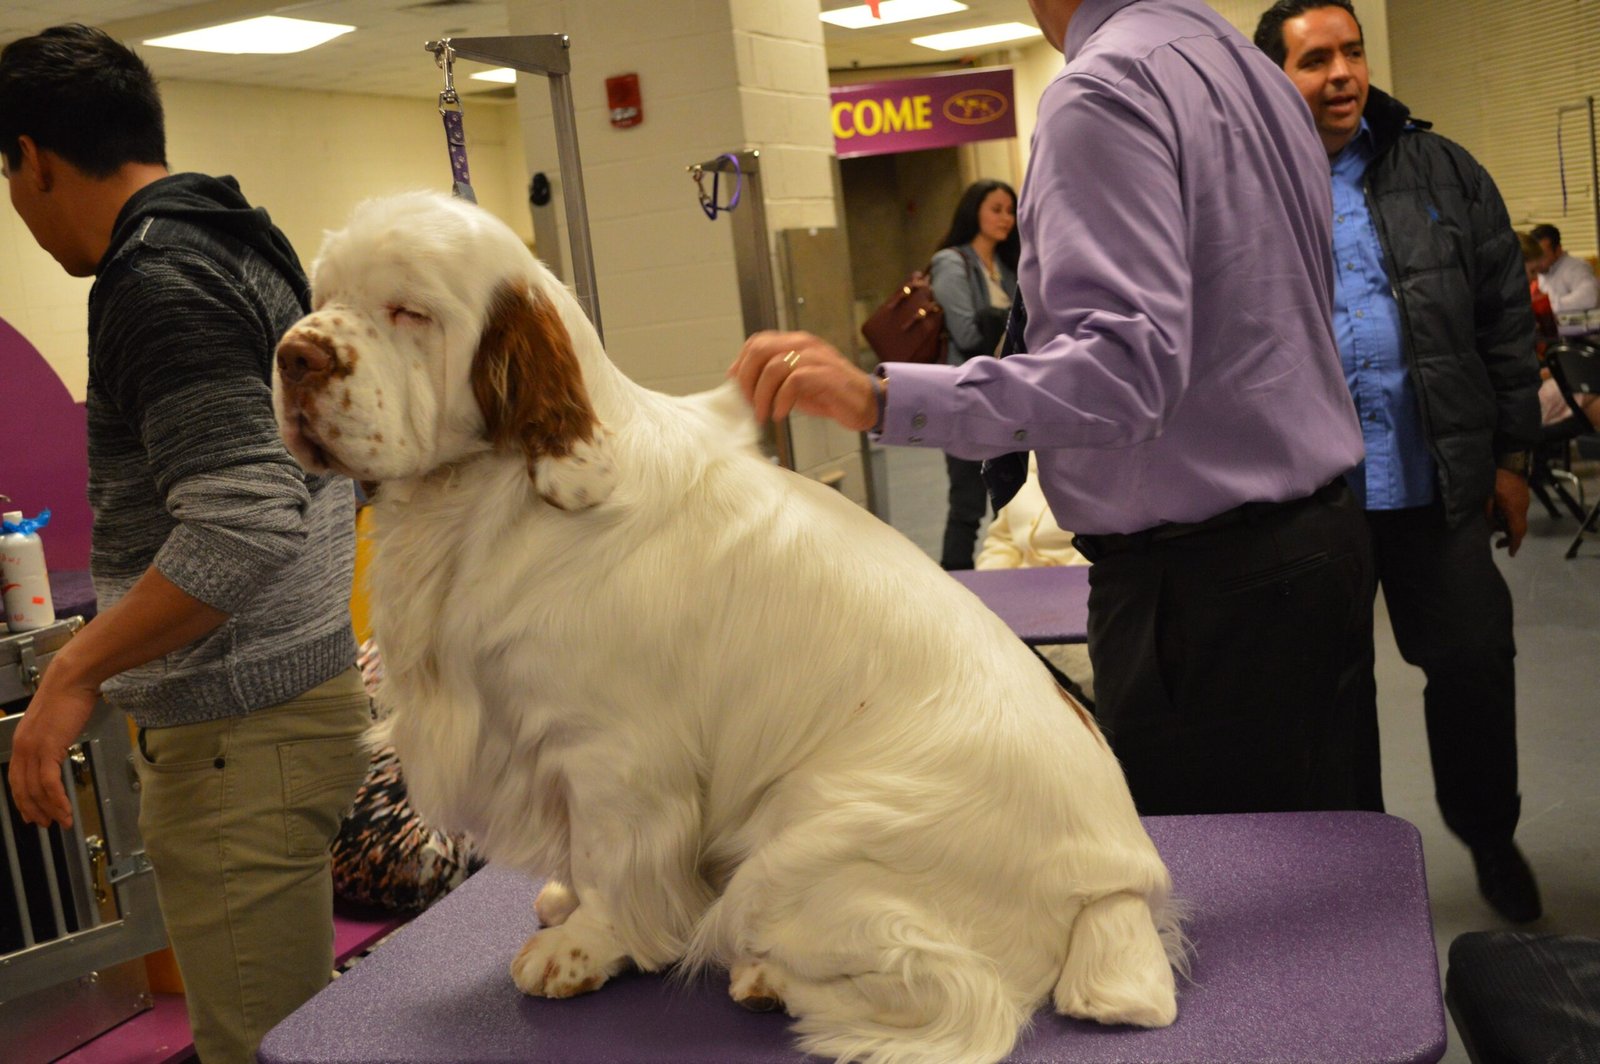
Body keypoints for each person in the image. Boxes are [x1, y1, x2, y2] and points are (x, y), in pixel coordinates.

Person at [733, 0, 1380, 818]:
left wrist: (884, 398)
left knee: (1213, 900)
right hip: (1320, 549)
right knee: (1323, 883)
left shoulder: (1105, 90)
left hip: (1207, 595)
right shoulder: (1252, 74)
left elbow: (1123, 373)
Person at [1, 24, 368, 1062]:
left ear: (34, 159)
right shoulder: (240, 240)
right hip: (282, 711)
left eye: (11, 180)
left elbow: (241, 521)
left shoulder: (156, 279)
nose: (22, 215)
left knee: (261, 1044)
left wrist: (75, 668)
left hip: (237, 738)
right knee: (295, 1028)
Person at [1256, 0, 1545, 923]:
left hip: (1436, 481)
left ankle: (1489, 835)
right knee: (1327, 690)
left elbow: (1503, 320)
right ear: (1275, 77)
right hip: (1313, 496)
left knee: (1472, 660)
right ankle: (1360, 872)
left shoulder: (1443, 170)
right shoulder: (1249, 185)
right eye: (1314, 61)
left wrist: (1508, 459)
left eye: (1351, 52)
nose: (1342, 73)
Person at [927, 179, 1019, 569]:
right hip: (962, 395)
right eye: (996, 209)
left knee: (1011, 504)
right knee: (967, 504)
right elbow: (967, 332)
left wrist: (996, 322)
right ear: (974, 212)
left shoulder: (1007, 265)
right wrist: (1006, 323)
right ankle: (954, 587)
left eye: (1010, 210)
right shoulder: (951, 262)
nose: (1006, 218)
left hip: (1006, 396)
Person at [973, 454, 1095, 703]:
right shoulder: (1016, 467)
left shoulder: (1093, 467)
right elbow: (1003, 539)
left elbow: (1099, 547)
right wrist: (988, 591)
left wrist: (1042, 594)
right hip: (1023, 600)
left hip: (1080, 602)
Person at [1529, 223, 1600, 315]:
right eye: (1535, 256)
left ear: (1558, 250)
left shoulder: (1575, 267)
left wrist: (1547, 306)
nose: (1537, 262)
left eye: (1543, 256)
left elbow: (1590, 298)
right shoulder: (1541, 272)